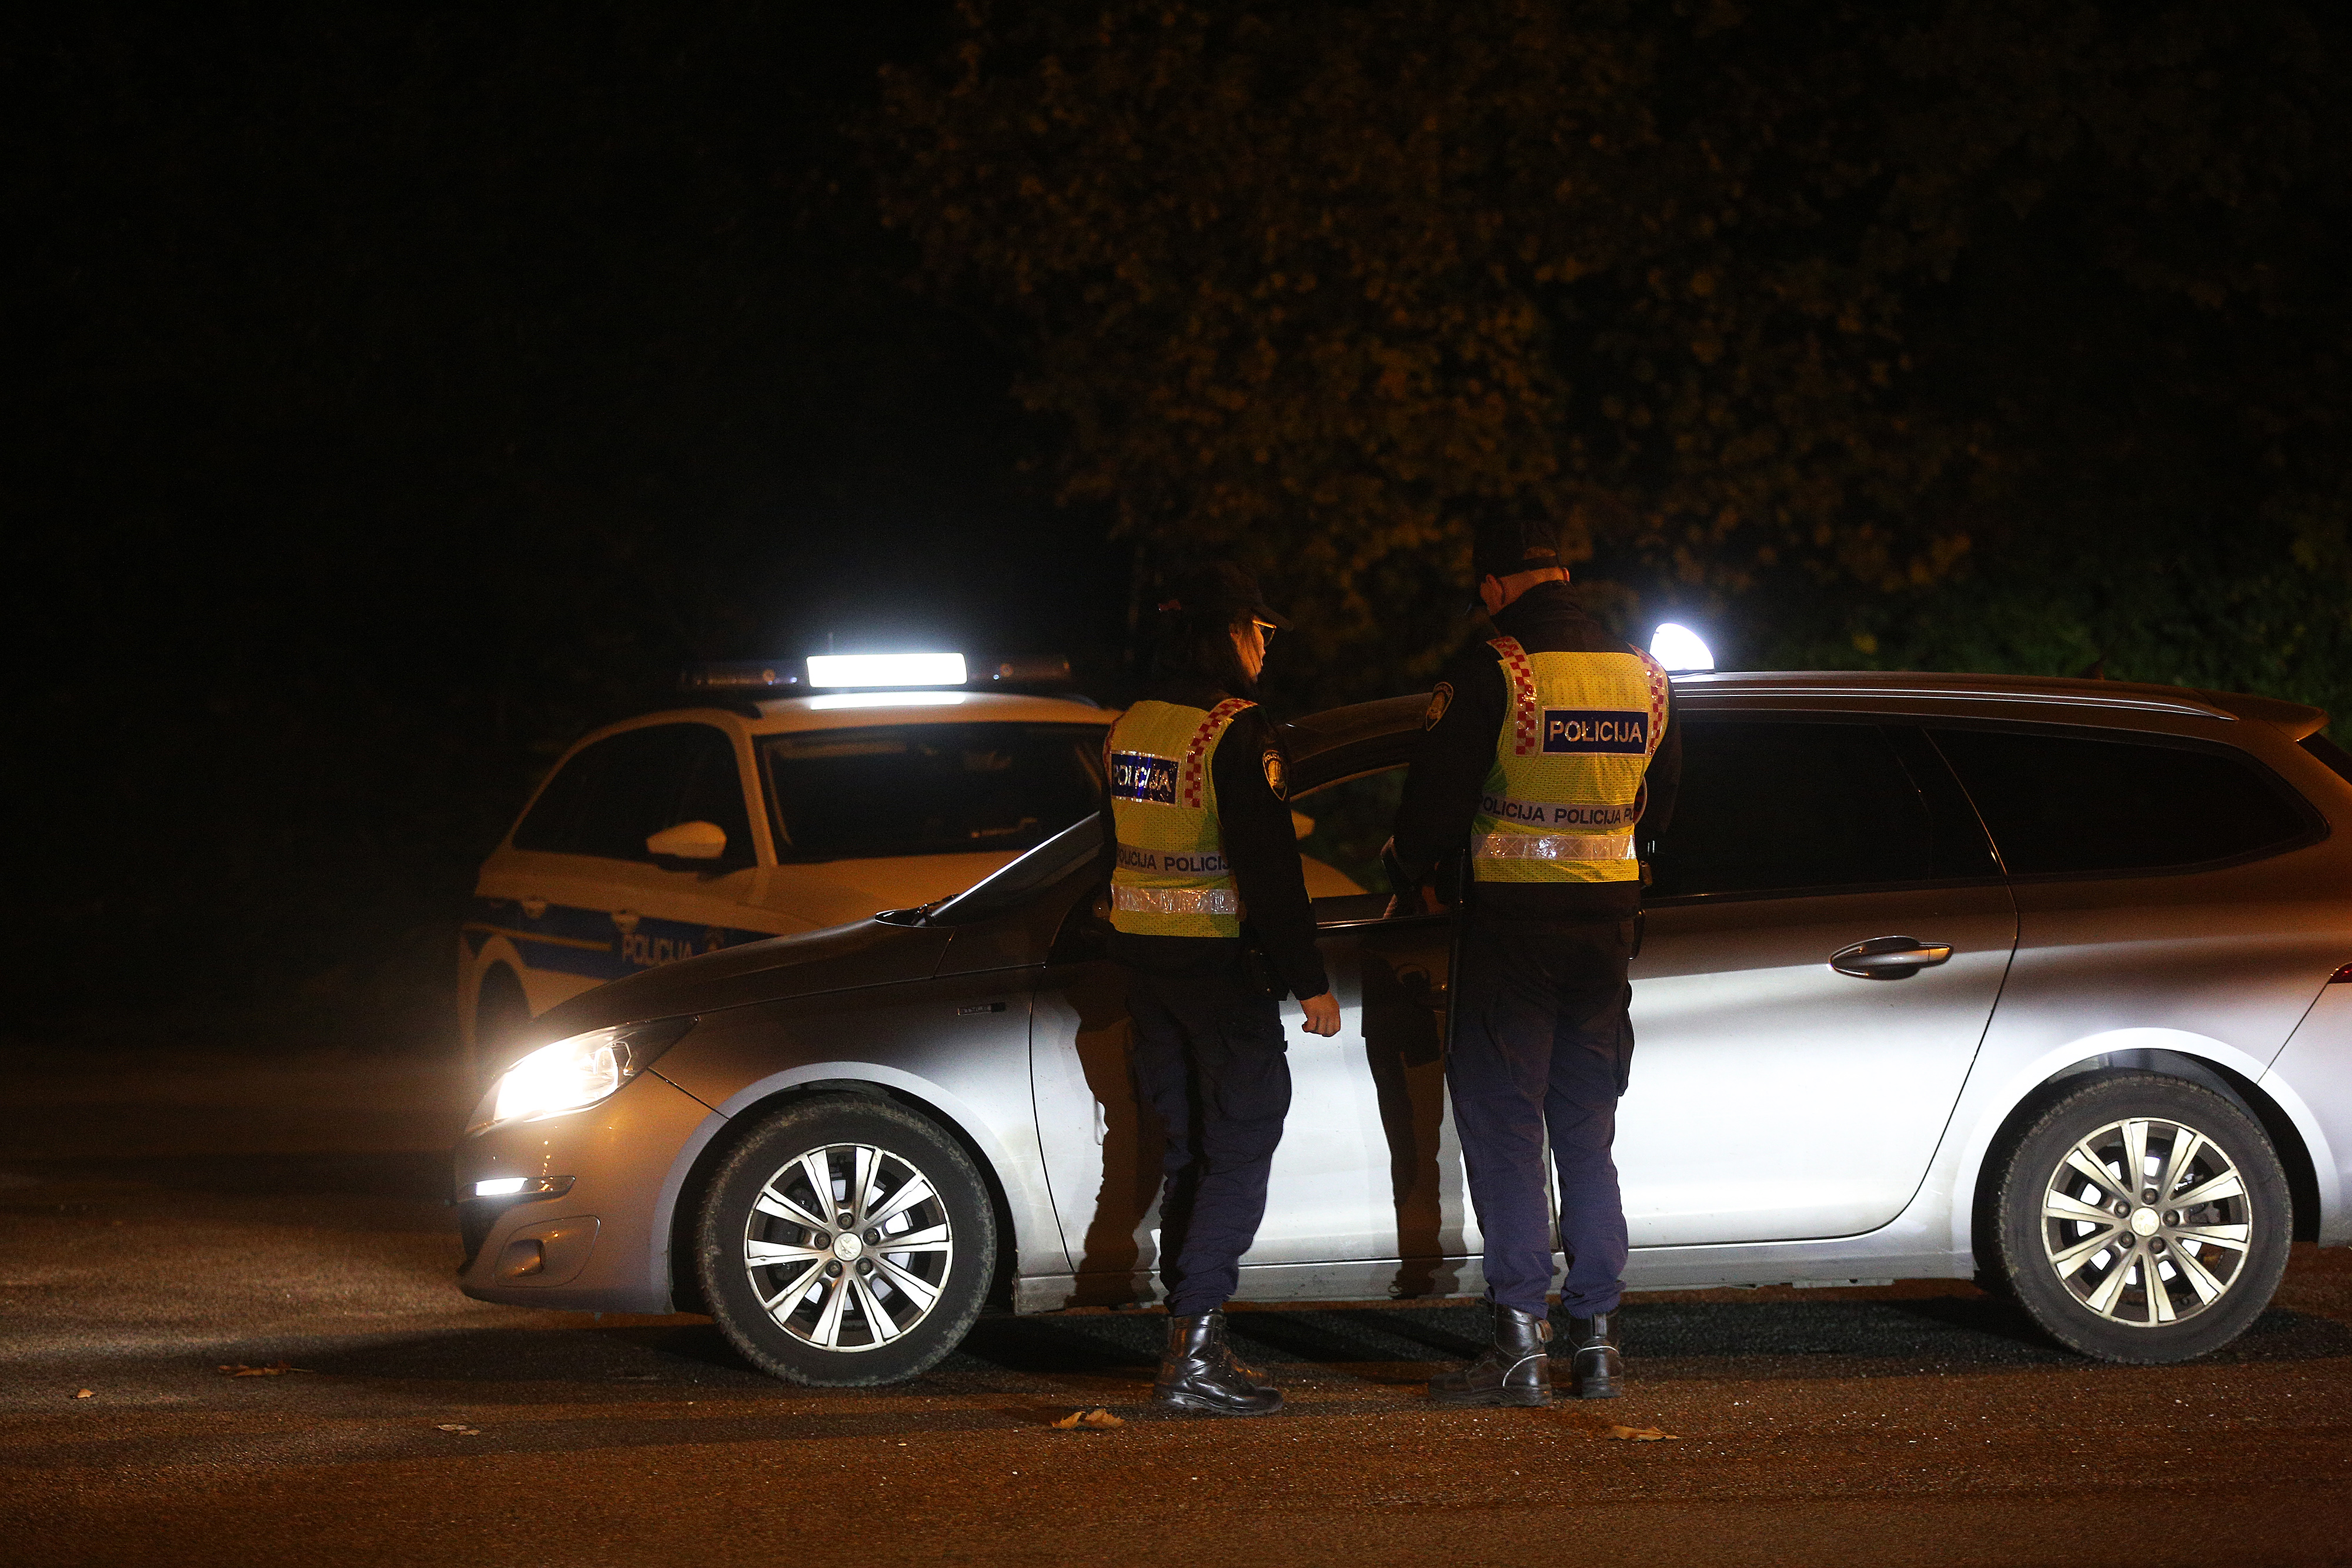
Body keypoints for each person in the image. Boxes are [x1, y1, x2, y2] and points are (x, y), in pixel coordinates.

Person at [1384, 510, 1681, 1406]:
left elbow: (1431, 813)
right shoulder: (1647, 678)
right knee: (1587, 1137)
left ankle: (1519, 1346)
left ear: (1493, 586)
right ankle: (1598, 1345)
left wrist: (1409, 869)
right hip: (1606, 940)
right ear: (1562, 573)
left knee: (1507, 1132)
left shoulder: (1496, 670)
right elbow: (1657, 817)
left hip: (1511, 938)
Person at [1104, 561, 1343, 1416]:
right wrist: (1309, 982)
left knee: (1188, 1149)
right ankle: (1193, 1351)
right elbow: (1270, 870)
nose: (1265, 647)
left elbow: (1116, 847)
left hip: (1147, 971)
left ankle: (1193, 1340)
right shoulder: (1234, 731)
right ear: (1228, 634)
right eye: (1260, 631)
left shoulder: (1133, 724)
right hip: (1219, 972)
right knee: (1239, 1147)